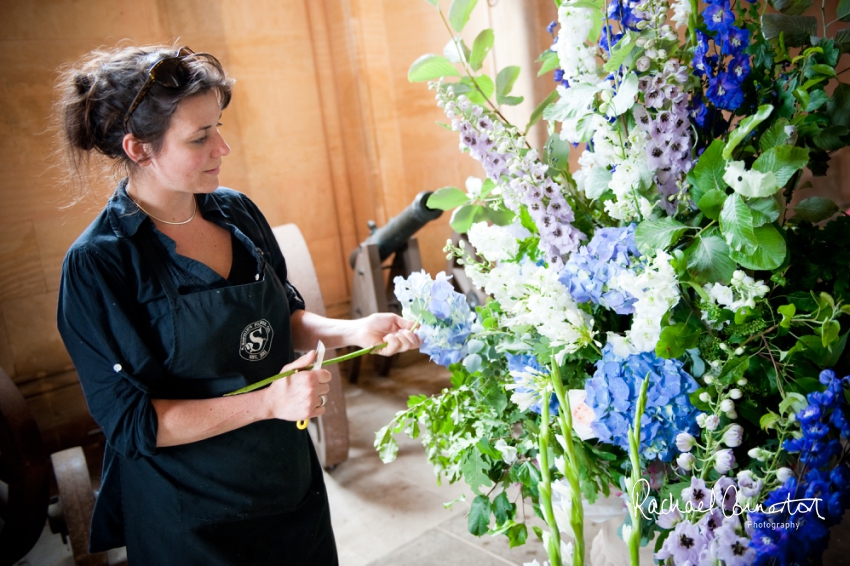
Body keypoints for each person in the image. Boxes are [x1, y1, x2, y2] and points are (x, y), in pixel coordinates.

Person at [55, 44, 420, 565]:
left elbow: (281, 320)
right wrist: (270, 403)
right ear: (139, 149)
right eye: (200, 137)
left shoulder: (237, 212)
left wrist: (355, 330)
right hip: (193, 520)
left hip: (288, 487)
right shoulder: (98, 265)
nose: (222, 148)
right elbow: (134, 423)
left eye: (218, 127)